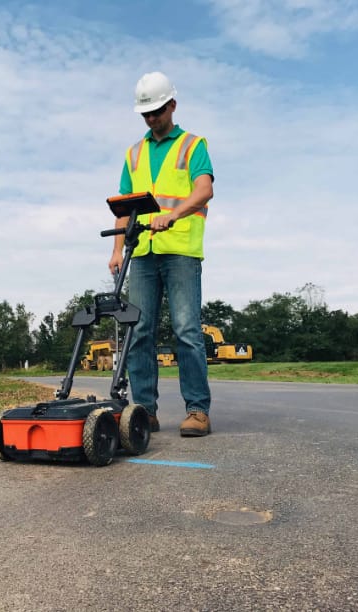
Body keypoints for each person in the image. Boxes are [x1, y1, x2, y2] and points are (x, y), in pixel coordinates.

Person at [108, 71, 214, 437]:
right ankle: (144, 412)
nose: (151, 118)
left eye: (157, 111)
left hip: (180, 250)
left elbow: (203, 190)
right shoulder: (133, 154)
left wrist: (174, 214)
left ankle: (197, 410)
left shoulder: (192, 145)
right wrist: (117, 249)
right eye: (146, 114)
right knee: (139, 332)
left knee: (186, 330)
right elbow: (124, 206)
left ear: (172, 105)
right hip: (142, 253)